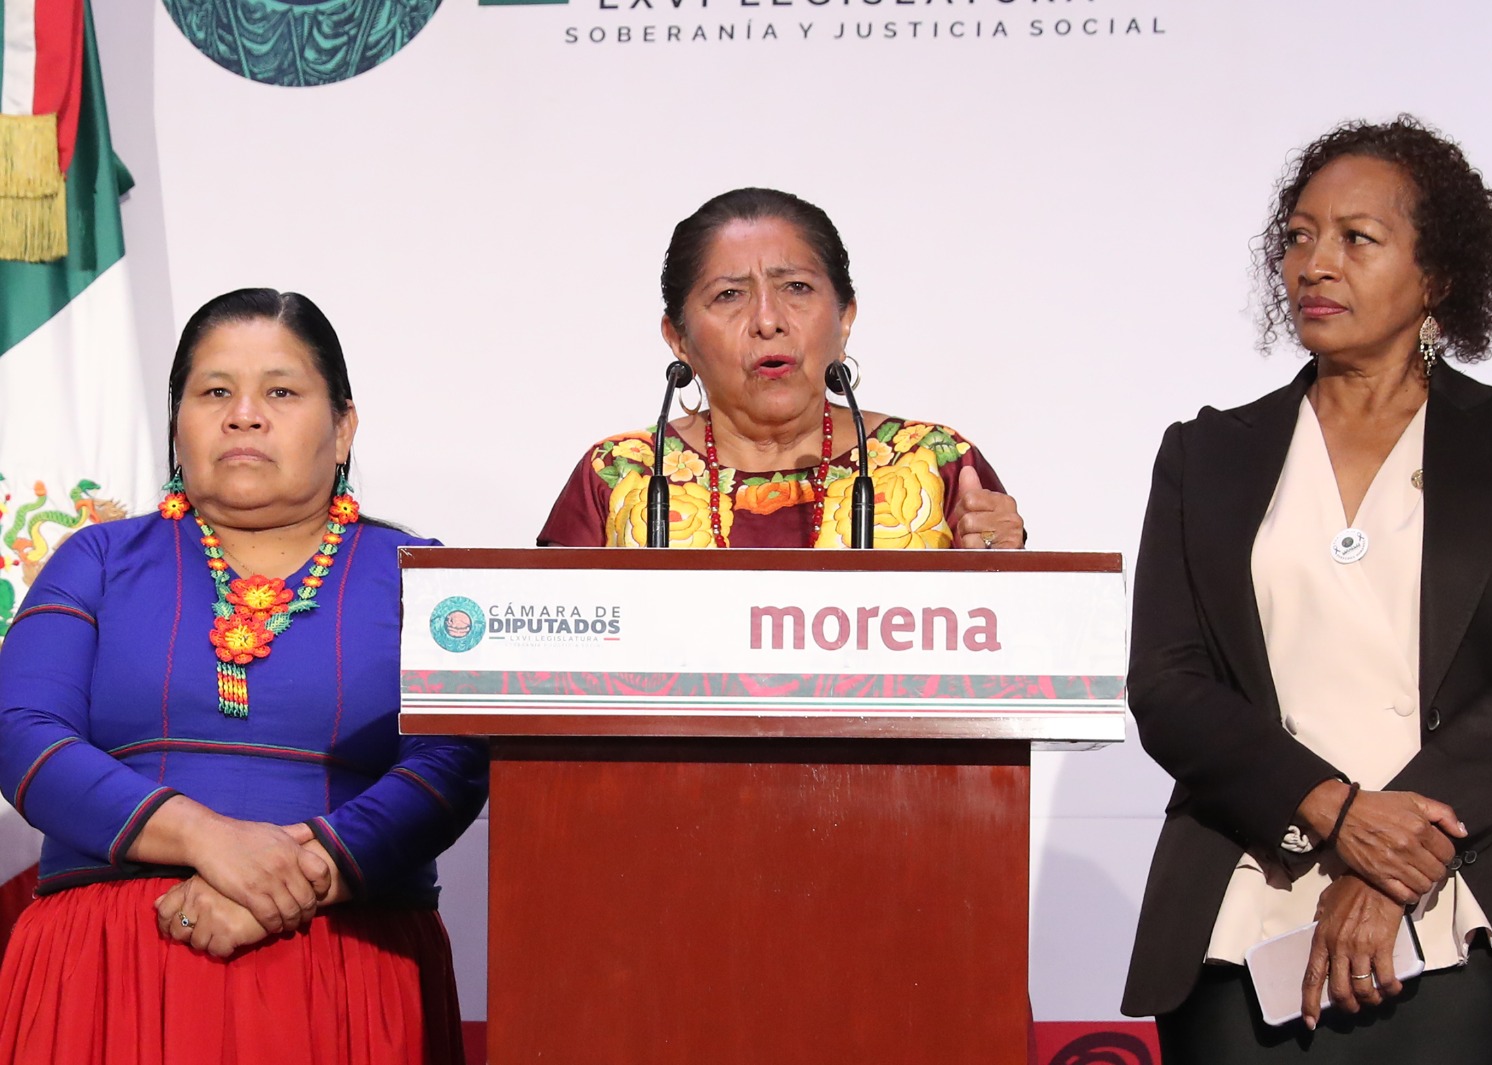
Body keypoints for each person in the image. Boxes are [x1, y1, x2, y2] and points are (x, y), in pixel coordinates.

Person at [1122, 115, 1492, 1063]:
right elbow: (1168, 683)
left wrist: (1391, 863)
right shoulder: (1206, 453)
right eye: (1299, 236)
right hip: (1252, 903)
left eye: (1357, 238)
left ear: (1438, 276)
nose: (1315, 264)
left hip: (1481, 905)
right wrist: (1334, 811)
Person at [0, 289, 489, 1064]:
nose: (244, 416)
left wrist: (304, 872)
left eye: (281, 392)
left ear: (344, 427)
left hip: (345, 961)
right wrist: (208, 838)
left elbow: (455, 757)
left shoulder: (425, 578)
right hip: (107, 968)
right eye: (215, 392)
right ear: (177, 424)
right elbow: (22, 733)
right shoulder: (95, 559)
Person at [538, 187, 1025, 550]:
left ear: (845, 317)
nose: (768, 321)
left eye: (796, 288)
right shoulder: (620, 474)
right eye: (729, 295)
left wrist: (1000, 565)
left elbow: (1015, 634)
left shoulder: (934, 462)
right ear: (679, 338)